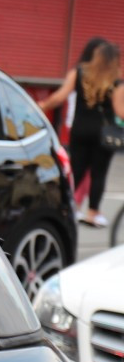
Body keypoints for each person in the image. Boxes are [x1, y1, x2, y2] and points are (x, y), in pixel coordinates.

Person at [38, 40, 124, 227]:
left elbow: (59, 97)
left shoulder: (78, 73)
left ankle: (67, 207)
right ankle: (93, 212)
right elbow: (120, 111)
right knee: (98, 174)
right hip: (103, 134)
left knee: (76, 169)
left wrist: (42, 106)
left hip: (80, 130)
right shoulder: (116, 83)